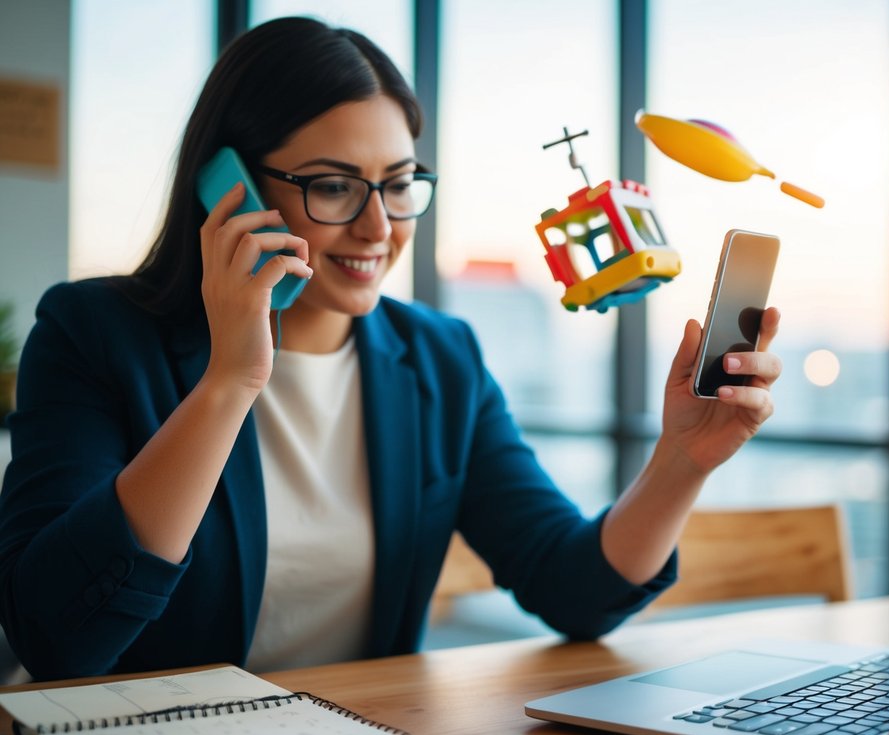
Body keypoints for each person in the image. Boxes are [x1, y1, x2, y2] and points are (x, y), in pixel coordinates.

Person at [0, 17, 782, 682]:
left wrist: (681, 460)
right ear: (230, 186)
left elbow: (571, 588)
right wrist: (230, 380)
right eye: (335, 186)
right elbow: (58, 639)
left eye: (400, 182)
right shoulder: (92, 334)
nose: (380, 228)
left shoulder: (439, 358)